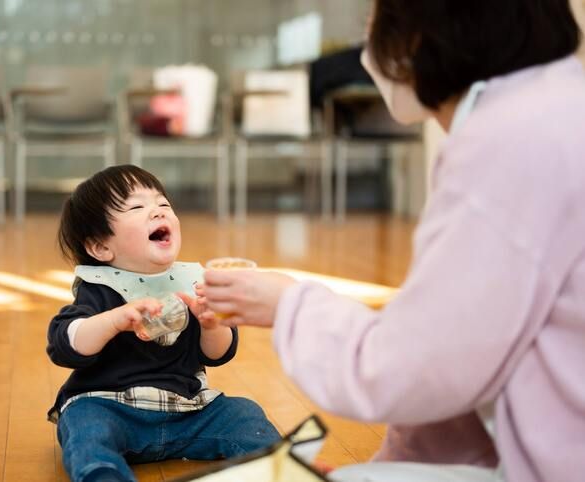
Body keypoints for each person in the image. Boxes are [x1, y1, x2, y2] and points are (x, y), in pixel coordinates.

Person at [200, 1, 585, 481]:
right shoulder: (554, 107)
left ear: (419, 35)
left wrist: (288, 305)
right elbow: (463, 352)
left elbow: (410, 368)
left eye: (375, 21)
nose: (369, 41)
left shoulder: (510, 143)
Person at [47, 165, 279, 482]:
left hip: (189, 410)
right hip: (112, 409)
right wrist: (114, 320)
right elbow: (65, 344)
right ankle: (104, 475)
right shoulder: (100, 289)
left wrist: (212, 324)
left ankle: (276, 469)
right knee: (83, 425)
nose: (157, 212)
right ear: (101, 247)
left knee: (244, 412)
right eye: (137, 207)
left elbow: (218, 354)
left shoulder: (190, 283)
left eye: (163, 204)